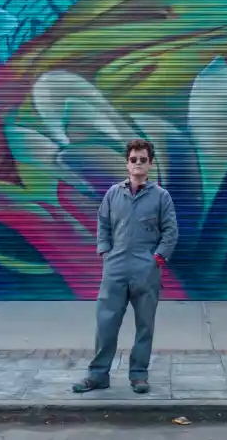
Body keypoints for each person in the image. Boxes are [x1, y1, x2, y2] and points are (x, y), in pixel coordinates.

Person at [72, 138, 178, 395]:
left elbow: (170, 232)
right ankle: (98, 375)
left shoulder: (161, 197)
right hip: (115, 268)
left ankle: (139, 375)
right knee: (105, 322)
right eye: (134, 160)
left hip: (146, 270)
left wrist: (157, 260)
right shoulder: (112, 194)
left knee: (144, 325)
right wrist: (105, 253)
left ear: (150, 164)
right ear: (126, 164)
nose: (138, 164)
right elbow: (102, 225)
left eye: (143, 160)